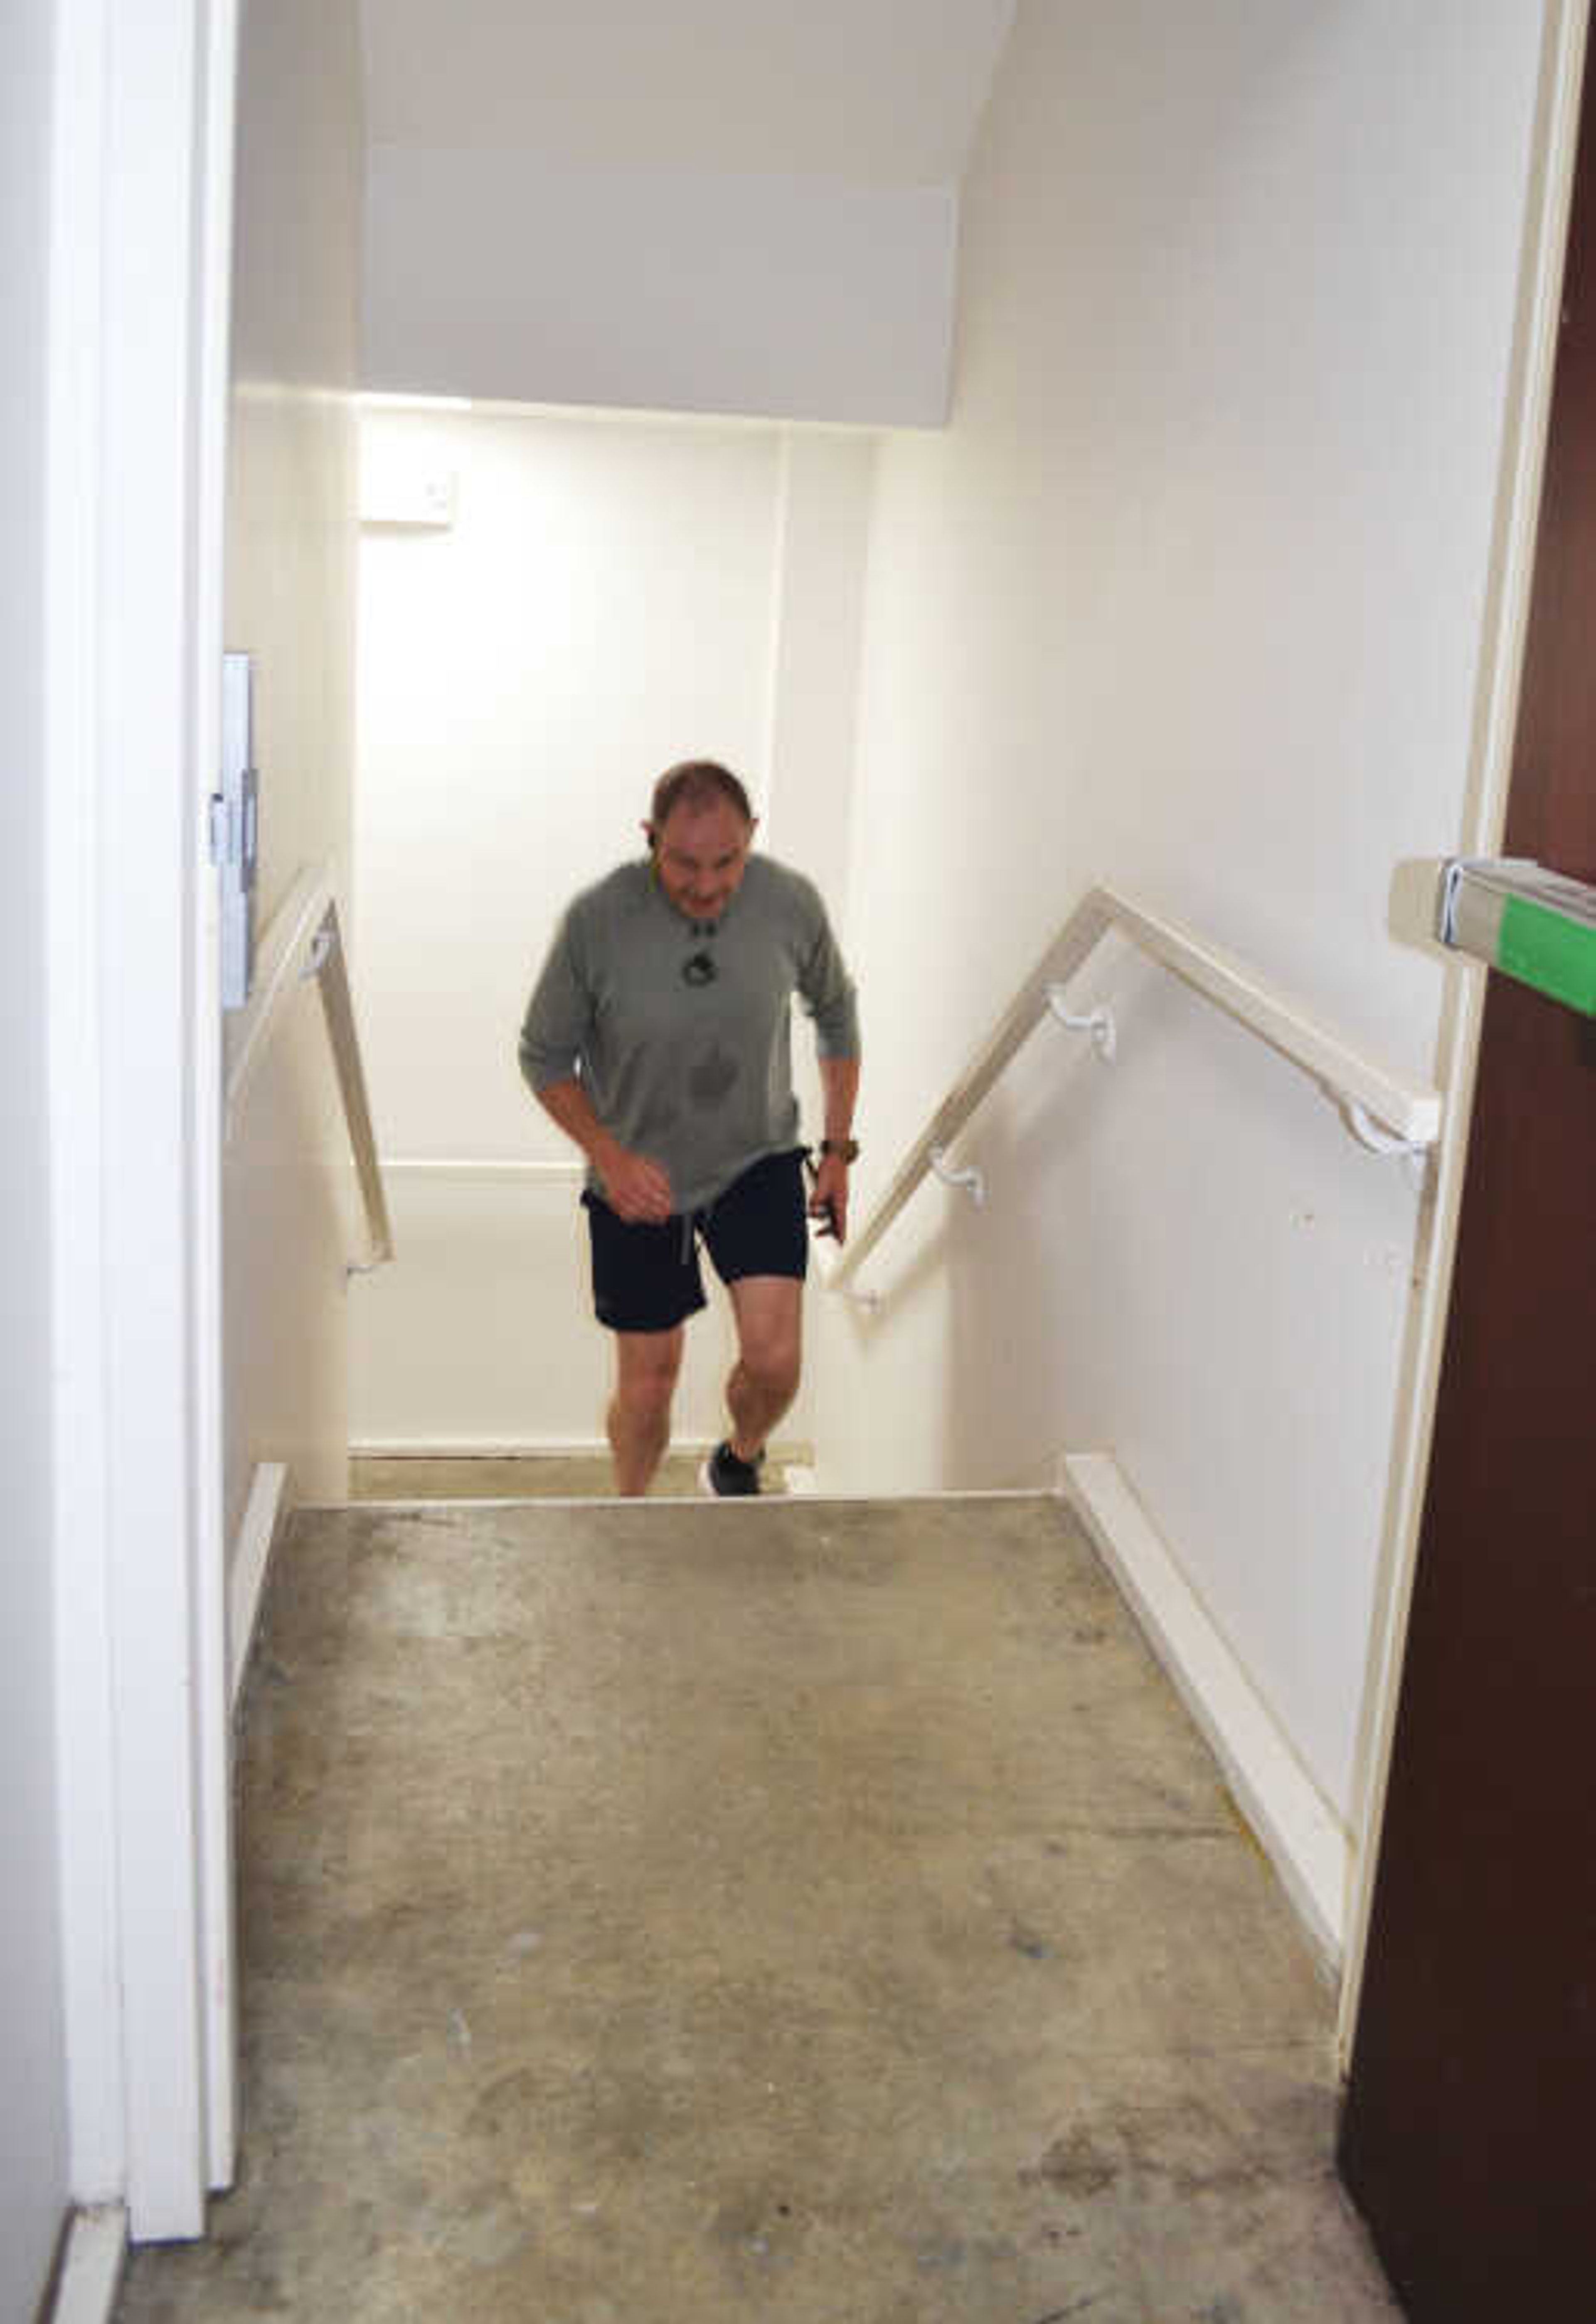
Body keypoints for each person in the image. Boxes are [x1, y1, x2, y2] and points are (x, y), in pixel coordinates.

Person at [519, 760, 860, 1498]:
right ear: (650, 839)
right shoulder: (596, 922)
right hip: (637, 1175)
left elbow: (836, 1013)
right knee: (649, 1385)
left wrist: (836, 1151)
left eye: (727, 862)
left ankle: (738, 1458)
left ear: (752, 840)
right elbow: (544, 1057)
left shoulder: (790, 905)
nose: (706, 885)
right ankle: (632, 1516)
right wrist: (608, 1155)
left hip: (758, 1158)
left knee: (776, 1363)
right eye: (683, 863)